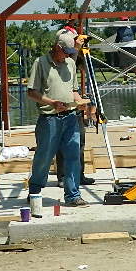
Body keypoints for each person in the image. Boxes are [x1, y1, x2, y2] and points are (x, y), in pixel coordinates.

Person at [26, 30, 88, 207]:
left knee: (73, 156)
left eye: (71, 54)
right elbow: (32, 92)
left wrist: (80, 102)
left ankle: (73, 195)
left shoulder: (70, 64)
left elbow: (73, 90)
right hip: (49, 119)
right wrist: (52, 102)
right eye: (66, 53)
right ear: (57, 47)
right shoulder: (41, 63)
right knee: (44, 158)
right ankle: (35, 192)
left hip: (70, 118)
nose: (68, 57)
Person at [55, 27, 95, 188]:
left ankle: (79, 174)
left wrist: (82, 51)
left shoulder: (74, 55)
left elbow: (82, 67)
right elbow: (67, 63)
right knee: (62, 143)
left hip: (75, 103)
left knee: (79, 142)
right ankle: (63, 176)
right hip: (61, 106)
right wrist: (76, 48)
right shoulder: (57, 59)